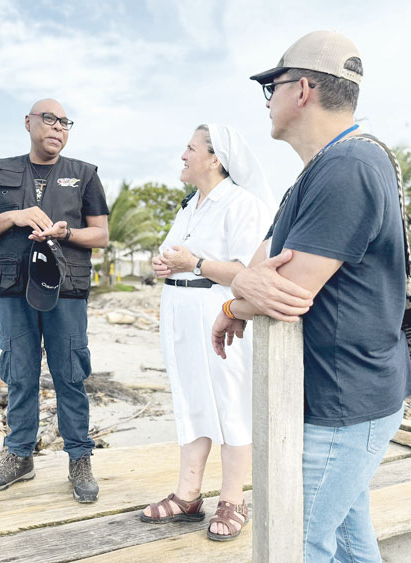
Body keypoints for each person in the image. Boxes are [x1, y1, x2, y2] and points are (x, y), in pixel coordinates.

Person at [211, 31, 411, 561]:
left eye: (271, 88)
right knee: (349, 540)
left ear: (300, 90)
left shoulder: (347, 169)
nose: (268, 101)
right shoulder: (318, 171)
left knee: (298, 542)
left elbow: (283, 295)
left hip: (345, 403)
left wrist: (235, 300)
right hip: (346, 396)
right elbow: (260, 264)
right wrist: (245, 283)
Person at [0, 98, 109, 503]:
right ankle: (19, 456)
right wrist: (14, 216)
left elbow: (100, 235)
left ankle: (79, 459)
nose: (58, 128)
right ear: (28, 123)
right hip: (14, 289)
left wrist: (66, 234)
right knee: (20, 373)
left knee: (70, 374)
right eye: (49, 119)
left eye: (65, 122)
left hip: (66, 289)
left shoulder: (85, 175)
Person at [140, 124, 274, 541]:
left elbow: (249, 272)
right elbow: (177, 257)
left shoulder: (242, 204)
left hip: (220, 312)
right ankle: (188, 494)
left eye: (191, 148)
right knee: (191, 398)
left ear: (215, 158)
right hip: (180, 312)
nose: (183, 155)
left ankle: (233, 498)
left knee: (231, 400)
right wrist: (164, 266)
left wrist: (193, 264)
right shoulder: (189, 207)